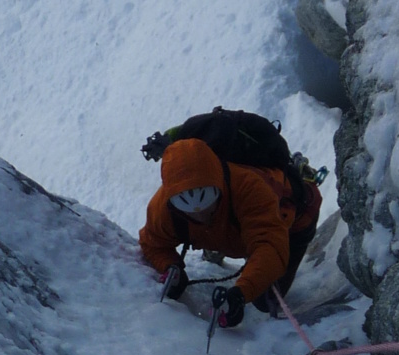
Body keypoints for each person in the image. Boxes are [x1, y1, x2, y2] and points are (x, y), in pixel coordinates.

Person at [138, 135, 322, 327]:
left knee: (265, 300)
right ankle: (220, 243)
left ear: (220, 188)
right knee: (222, 233)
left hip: (295, 216)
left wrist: (242, 292)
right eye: (189, 212)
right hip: (230, 227)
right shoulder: (163, 208)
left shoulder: (250, 189)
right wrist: (170, 266)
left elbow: (270, 247)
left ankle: (298, 173)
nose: (201, 216)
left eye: (209, 206)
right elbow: (152, 243)